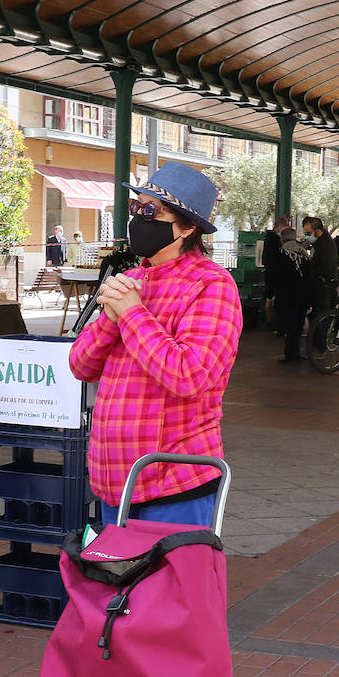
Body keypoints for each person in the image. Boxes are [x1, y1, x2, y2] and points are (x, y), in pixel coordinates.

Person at [69, 162, 241, 527]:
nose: (139, 219)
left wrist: (131, 314)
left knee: (166, 584)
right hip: (113, 483)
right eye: (136, 208)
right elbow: (81, 366)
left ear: (188, 226)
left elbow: (188, 375)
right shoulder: (130, 279)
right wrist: (111, 321)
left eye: (151, 211)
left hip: (174, 481)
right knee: (116, 584)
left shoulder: (212, 285)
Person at [275, 226, 313, 363]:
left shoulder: (281, 253)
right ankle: (296, 353)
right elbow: (309, 275)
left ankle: (290, 355)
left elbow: (277, 277)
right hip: (303, 296)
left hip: (288, 296)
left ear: (282, 239)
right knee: (298, 326)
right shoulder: (303, 253)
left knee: (290, 327)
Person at [302, 216, 338, 320]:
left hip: (324, 287)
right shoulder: (318, 242)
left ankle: (320, 336)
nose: (307, 236)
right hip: (319, 286)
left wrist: (309, 270)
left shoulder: (326, 245)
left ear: (317, 231)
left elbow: (325, 267)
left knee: (322, 317)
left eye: (309, 234)